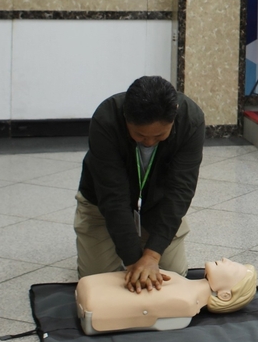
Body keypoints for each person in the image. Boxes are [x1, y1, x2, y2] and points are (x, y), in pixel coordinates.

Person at [74, 76, 205, 292]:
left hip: (159, 203)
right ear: (126, 116)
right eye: (140, 135)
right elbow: (112, 196)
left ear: (174, 116)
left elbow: (181, 190)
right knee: (96, 281)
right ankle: (121, 244)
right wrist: (135, 262)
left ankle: (146, 241)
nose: (149, 142)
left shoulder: (191, 119)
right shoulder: (106, 118)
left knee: (174, 276)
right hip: (102, 205)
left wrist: (152, 255)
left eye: (159, 135)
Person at [76, 258, 258, 334]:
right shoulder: (180, 281)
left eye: (232, 266)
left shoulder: (185, 302)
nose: (227, 259)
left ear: (225, 295)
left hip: (94, 303)